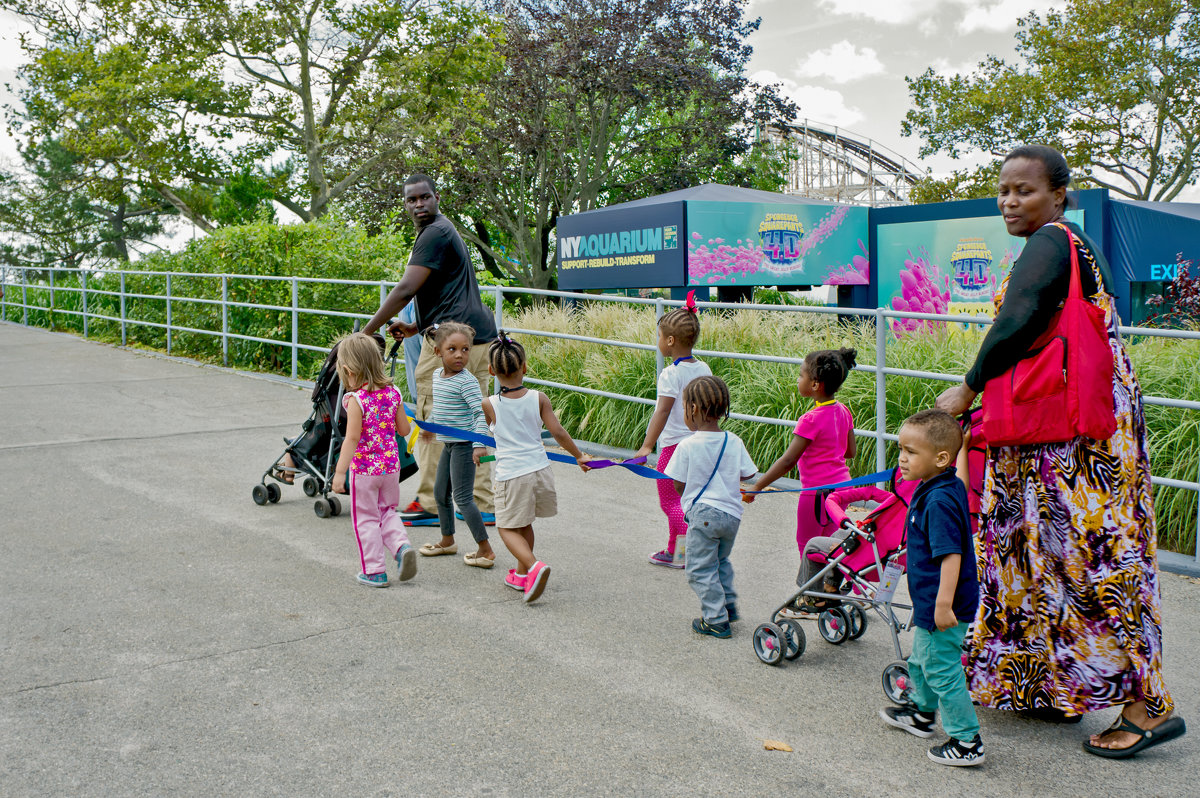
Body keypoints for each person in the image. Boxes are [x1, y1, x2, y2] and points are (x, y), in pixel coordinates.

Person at [935, 144, 1185, 758]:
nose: (1010, 201)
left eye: (1025, 190)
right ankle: (1042, 685)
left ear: (1059, 196)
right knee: (1039, 557)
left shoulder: (1051, 242)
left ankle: (1148, 705)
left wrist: (965, 390)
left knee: (1092, 561)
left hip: (1071, 442)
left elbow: (1016, 319)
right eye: (1003, 190)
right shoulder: (1064, 245)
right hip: (1064, 430)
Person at [362, 173, 498, 527]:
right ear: (405, 203)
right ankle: (481, 503)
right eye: (412, 199)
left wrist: (366, 332)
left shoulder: (434, 233)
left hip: (449, 342)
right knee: (471, 420)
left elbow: (406, 289)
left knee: (434, 417)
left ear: (436, 198)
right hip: (475, 337)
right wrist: (415, 327)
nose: (419, 204)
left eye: (424, 198)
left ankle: (429, 503)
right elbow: (442, 292)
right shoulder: (442, 231)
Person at [879, 409, 984, 767]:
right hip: (933, 602)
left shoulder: (937, 501)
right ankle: (921, 715)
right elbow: (965, 483)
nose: (902, 458)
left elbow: (951, 555)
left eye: (910, 451)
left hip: (945, 605)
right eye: (900, 449)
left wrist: (942, 604)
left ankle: (967, 740)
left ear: (940, 458)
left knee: (941, 668)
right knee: (922, 660)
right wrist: (965, 449)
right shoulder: (945, 483)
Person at [744, 348, 857, 617]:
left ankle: (809, 601)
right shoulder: (843, 411)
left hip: (817, 494)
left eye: (801, 375)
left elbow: (787, 461)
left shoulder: (811, 419)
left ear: (815, 384)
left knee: (809, 545)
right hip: (843, 489)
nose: (798, 380)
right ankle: (833, 591)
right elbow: (850, 452)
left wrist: (756, 487)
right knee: (834, 544)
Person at [481, 332, 593, 603]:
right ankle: (521, 575)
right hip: (540, 470)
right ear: (525, 367)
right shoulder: (539, 398)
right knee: (525, 522)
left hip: (512, 475)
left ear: (491, 371)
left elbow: (488, 432)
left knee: (506, 527)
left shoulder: (490, 404)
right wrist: (579, 456)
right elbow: (558, 432)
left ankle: (533, 566)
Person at [664, 376, 758, 639]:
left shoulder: (687, 445)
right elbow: (747, 475)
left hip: (703, 516)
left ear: (692, 410)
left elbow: (678, 484)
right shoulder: (734, 441)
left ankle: (715, 619)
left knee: (699, 569)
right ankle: (727, 604)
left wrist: (689, 495)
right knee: (720, 561)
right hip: (731, 516)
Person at [330, 332, 417, 588]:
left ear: (348, 370)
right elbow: (404, 430)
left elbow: (352, 439)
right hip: (391, 469)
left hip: (365, 472)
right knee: (387, 511)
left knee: (366, 519)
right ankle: (401, 547)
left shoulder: (356, 400)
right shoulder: (393, 393)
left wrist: (338, 472)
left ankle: (375, 571)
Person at [630, 292, 710, 568]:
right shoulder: (704, 368)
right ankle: (676, 551)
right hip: (700, 443)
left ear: (671, 341)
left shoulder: (671, 374)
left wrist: (646, 447)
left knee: (670, 501)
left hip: (675, 446)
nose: (659, 342)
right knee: (686, 499)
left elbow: (662, 411)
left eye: (660, 336)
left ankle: (688, 552)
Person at [419, 322, 494, 567]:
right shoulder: (437, 376)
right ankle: (447, 540)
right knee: (440, 493)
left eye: (465, 349)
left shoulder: (467, 382)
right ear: (438, 352)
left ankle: (485, 549)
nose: (460, 354)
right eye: (452, 349)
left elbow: (480, 413)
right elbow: (440, 409)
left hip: (465, 445)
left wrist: (479, 444)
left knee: (462, 498)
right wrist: (429, 426)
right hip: (449, 444)